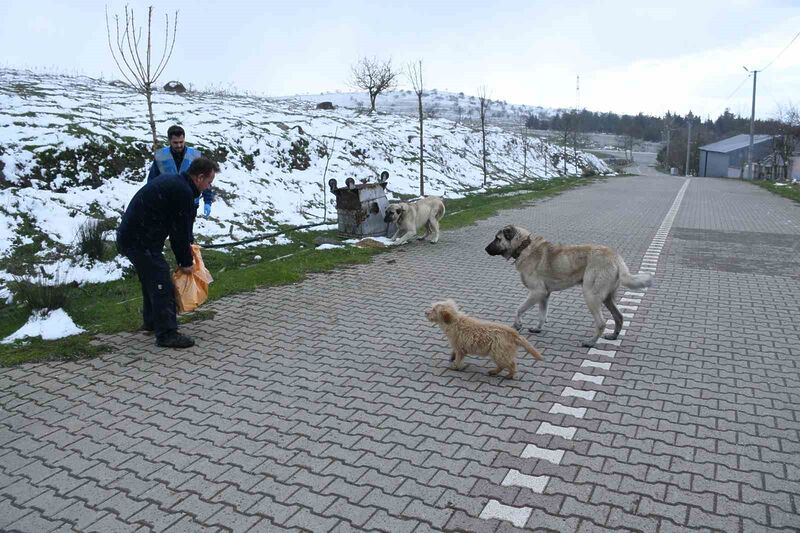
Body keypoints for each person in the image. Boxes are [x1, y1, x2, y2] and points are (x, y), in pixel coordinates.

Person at [118, 157, 219, 348]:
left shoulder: (178, 184)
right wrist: (186, 262)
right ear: (199, 177)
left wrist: (188, 246)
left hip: (136, 237)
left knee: (152, 277)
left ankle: (152, 322)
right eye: (208, 182)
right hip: (139, 240)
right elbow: (178, 233)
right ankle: (166, 334)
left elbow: (180, 226)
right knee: (161, 281)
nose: (208, 187)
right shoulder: (182, 192)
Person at [148, 125, 215, 220]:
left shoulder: (196, 156)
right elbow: (152, 181)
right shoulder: (160, 156)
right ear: (169, 141)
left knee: (184, 233)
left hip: (190, 203)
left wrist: (207, 201)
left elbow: (205, 179)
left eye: (181, 142)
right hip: (167, 203)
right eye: (175, 143)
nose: (179, 145)